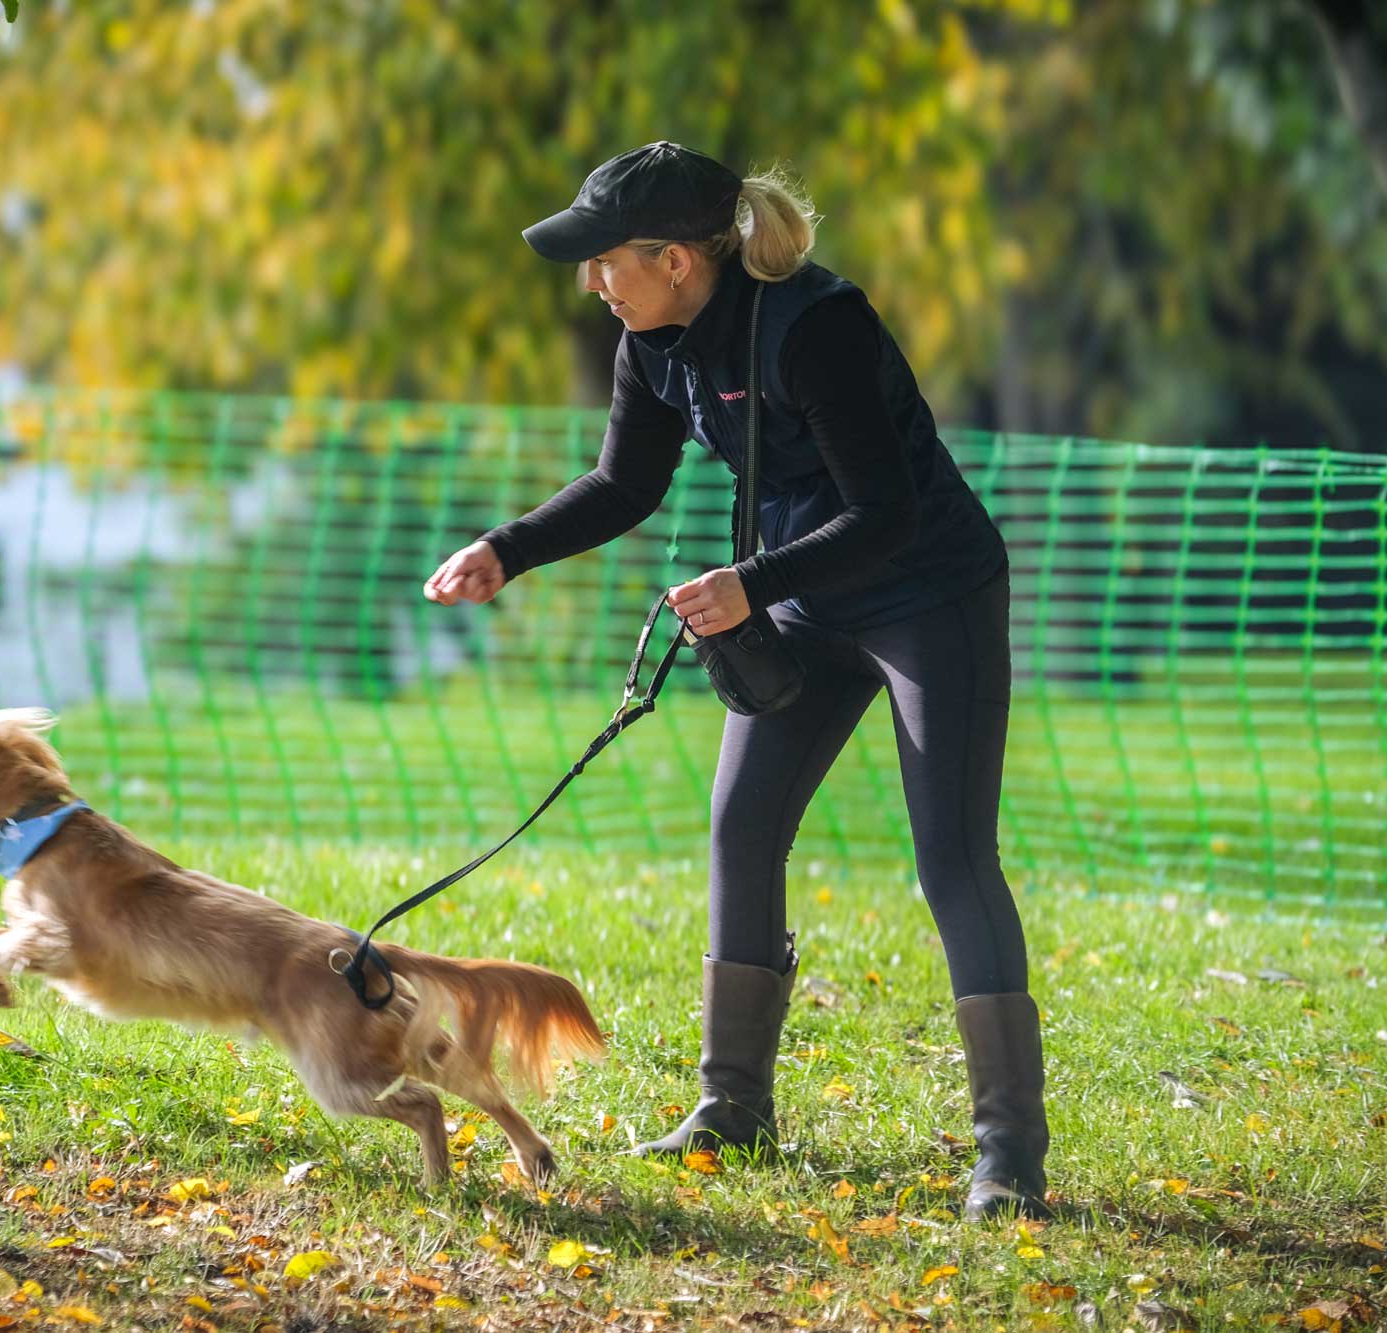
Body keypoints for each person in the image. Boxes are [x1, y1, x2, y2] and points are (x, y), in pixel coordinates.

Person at [421, 141, 1048, 1219]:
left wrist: (750, 584)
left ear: (675, 259)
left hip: (926, 592)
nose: (593, 282)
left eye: (608, 260)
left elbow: (886, 512)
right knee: (740, 826)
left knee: (951, 859)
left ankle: (1009, 1156)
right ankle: (732, 1107)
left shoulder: (816, 327)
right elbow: (624, 483)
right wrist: (506, 550)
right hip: (801, 601)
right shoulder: (650, 341)